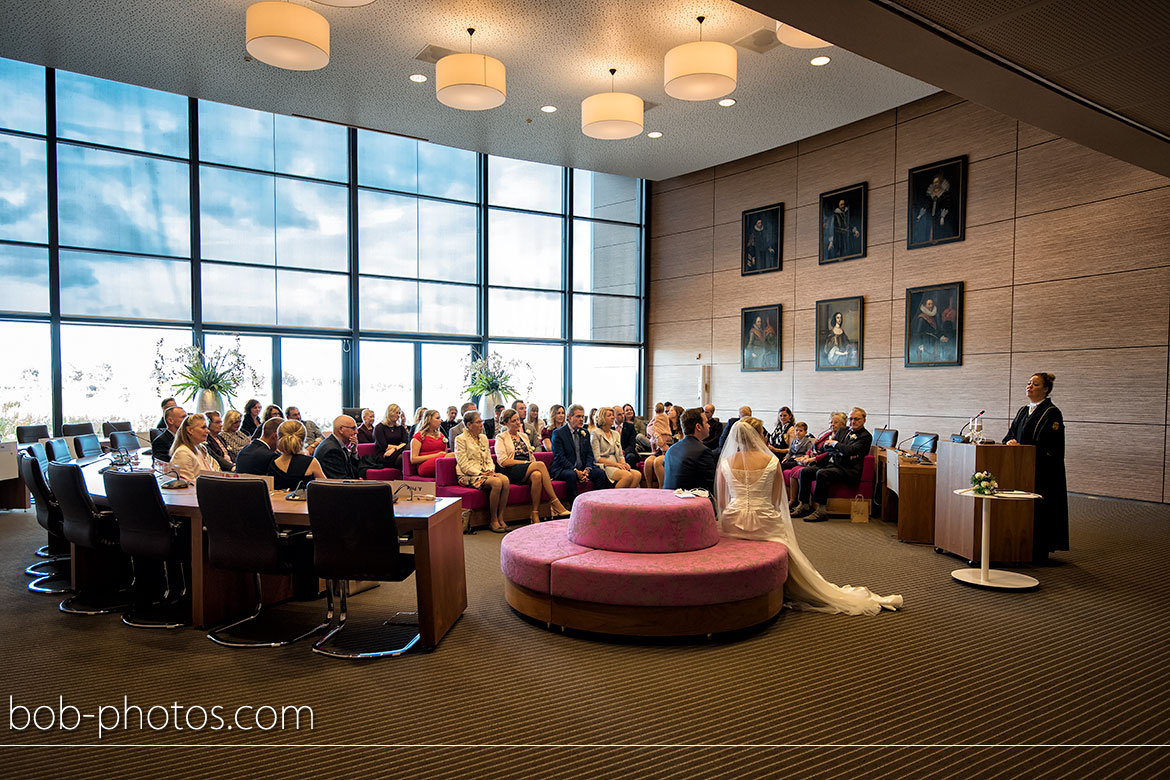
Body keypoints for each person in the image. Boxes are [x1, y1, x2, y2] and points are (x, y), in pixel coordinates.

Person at [717, 417, 901, 615]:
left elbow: (722, 502)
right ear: (759, 435)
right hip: (764, 521)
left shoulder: (725, 463)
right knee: (783, 539)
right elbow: (776, 500)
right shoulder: (771, 461)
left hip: (732, 520)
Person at [1003, 372, 1068, 560]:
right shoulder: (1023, 410)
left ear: (1046, 389)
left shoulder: (1052, 412)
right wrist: (1010, 442)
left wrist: (1022, 447)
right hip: (1020, 467)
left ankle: (1040, 549)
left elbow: (1050, 444)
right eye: (1029, 383)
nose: (1029, 386)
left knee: (1040, 509)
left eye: (1035, 384)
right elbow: (1010, 434)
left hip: (1042, 470)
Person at [793, 408, 873, 523]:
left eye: (856, 419)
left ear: (864, 420)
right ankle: (804, 505)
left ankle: (821, 511)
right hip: (834, 465)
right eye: (851, 419)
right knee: (805, 472)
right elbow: (826, 447)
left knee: (822, 473)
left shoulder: (865, 436)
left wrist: (836, 445)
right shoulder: (843, 430)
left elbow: (851, 450)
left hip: (848, 470)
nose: (853, 421)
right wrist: (839, 450)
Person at [496, 409, 570, 523]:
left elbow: (530, 456)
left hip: (527, 467)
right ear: (506, 423)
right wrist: (527, 464)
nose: (517, 423)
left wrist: (530, 464)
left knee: (536, 475)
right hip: (511, 469)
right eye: (513, 421)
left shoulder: (524, 436)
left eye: (518, 420)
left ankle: (535, 513)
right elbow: (503, 461)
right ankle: (555, 502)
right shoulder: (501, 437)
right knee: (539, 465)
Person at [454, 411, 510, 533]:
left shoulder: (483, 438)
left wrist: (490, 470)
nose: (482, 425)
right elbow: (463, 464)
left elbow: (489, 458)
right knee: (496, 483)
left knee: (505, 480)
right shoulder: (460, 439)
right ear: (469, 425)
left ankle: (501, 517)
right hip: (468, 475)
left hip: (486, 472)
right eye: (478, 422)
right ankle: (493, 520)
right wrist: (481, 473)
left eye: (481, 422)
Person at [551, 404, 610, 500]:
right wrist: (575, 471)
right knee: (571, 475)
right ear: (570, 418)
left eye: (583, 416)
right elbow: (559, 457)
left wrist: (587, 469)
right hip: (564, 468)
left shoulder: (584, 432)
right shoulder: (558, 433)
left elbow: (589, 454)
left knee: (600, 474)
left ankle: (596, 503)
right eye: (578, 416)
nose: (581, 419)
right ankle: (574, 508)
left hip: (582, 468)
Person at [788, 413, 847, 506]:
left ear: (843, 425)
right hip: (815, 460)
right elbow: (814, 446)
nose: (832, 424)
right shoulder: (827, 434)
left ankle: (807, 505)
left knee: (804, 471)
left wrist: (813, 459)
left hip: (825, 463)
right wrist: (807, 455)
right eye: (831, 422)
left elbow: (829, 453)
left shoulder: (842, 438)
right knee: (801, 471)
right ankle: (803, 504)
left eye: (835, 422)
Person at [662, 407, 717, 496]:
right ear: (698, 427)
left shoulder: (672, 449)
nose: (709, 425)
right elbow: (712, 485)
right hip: (688, 504)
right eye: (706, 423)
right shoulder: (702, 451)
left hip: (668, 500)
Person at [267, 419, 325, 491]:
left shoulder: (273, 462)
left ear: (279, 438)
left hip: (278, 501)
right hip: (304, 501)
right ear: (303, 439)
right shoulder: (310, 462)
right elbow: (325, 487)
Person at [591, 407, 641, 489]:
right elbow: (597, 458)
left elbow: (620, 454)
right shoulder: (596, 433)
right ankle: (613, 499)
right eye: (609, 415)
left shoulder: (615, 434)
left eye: (613, 415)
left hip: (617, 463)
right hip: (604, 465)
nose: (613, 417)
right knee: (627, 476)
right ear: (602, 418)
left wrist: (624, 463)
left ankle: (626, 499)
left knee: (637, 475)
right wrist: (617, 464)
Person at [166, 412, 220, 481]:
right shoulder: (182, 453)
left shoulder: (201, 448)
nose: (207, 431)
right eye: (203, 427)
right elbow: (187, 484)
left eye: (207, 427)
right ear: (189, 430)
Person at [315, 415, 360, 479]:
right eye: (353, 428)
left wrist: (354, 451)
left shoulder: (336, 444)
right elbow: (341, 481)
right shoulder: (332, 451)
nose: (356, 432)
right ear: (341, 429)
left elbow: (354, 473)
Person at [642, 403, 673, 489]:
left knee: (657, 462)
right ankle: (649, 487)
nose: (668, 413)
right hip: (657, 446)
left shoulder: (673, 425)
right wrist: (656, 434)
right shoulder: (661, 419)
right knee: (648, 462)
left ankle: (661, 487)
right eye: (667, 411)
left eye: (670, 411)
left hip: (668, 449)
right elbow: (649, 428)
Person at [409, 409, 448, 478]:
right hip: (424, 465)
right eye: (437, 418)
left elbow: (445, 452)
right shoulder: (419, 436)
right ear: (429, 420)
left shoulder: (441, 435)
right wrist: (436, 455)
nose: (440, 420)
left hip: (440, 461)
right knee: (451, 456)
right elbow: (413, 459)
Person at [374, 403, 410, 469]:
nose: (398, 415)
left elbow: (405, 443)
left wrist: (394, 449)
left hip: (396, 452)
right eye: (396, 413)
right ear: (390, 413)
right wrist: (399, 447)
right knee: (404, 458)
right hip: (385, 455)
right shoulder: (379, 428)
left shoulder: (400, 428)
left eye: (399, 413)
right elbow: (384, 446)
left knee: (406, 454)